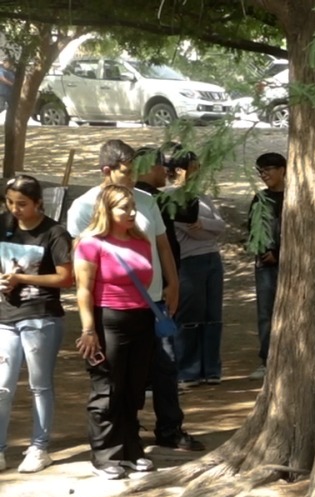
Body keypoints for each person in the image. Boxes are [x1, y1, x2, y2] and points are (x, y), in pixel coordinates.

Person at [73, 185, 159, 479]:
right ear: (106, 211)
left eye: (133, 206)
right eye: (124, 207)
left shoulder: (141, 241)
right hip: (107, 320)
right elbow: (83, 290)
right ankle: (104, 454)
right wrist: (89, 330)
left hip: (141, 319)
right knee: (108, 388)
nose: (132, 212)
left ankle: (131, 449)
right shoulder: (90, 243)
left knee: (134, 387)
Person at [129, 147, 203, 454]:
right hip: (132, 297)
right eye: (162, 166)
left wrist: (172, 284)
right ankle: (129, 427)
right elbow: (189, 209)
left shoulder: (157, 198)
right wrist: (186, 180)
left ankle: (169, 429)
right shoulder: (139, 199)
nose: (166, 172)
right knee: (142, 365)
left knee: (165, 363)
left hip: (160, 294)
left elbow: (189, 213)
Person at [0, 174, 73, 474]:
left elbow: (66, 278)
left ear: (38, 203)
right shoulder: (4, 224)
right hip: (5, 317)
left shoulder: (54, 233)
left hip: (41, 316)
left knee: (39, 385)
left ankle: (39, 447)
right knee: (2, 387)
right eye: (9, 202)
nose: (14, 209)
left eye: (22, 204)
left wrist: (21, 278)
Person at [167, 152, 226, 387]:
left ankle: (211, 368)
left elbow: (220, 226)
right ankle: (188, 370)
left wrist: (205, 224)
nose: (198, 170)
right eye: (194, 166)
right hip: (189, 260)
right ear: (179, 170)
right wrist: (206, 228)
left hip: (212, 259)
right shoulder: (171, 197)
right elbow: (192, 229)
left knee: (213, 315)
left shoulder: (202, 196)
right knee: (190, 315)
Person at [245, 151, 284, 379]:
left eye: (268, 169)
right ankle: (267, 360)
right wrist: (264, 252)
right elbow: (252, 230)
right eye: (261, 171)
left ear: (282, 170)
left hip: (292, 264)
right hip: (266, 265)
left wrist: (280, 253)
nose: (264, 174)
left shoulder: (295, 197)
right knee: (266, 312)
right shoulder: (260, 198)